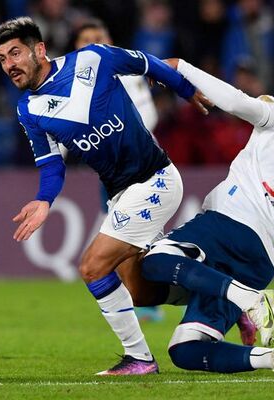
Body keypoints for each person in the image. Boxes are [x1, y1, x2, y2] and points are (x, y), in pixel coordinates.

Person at [0, 17, 210, 375]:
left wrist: (187, 90)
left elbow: (147, 63)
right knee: (138, 290)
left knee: (92, 267)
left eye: (15, 53)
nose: (10, 65)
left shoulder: (92, 59)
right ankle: (217, 295)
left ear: (39, 50)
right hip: (121, 193)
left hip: (155, 179)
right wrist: (44, 200)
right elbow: (51, 166)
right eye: (2, 59)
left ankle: (139, 359)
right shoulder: (28, 110)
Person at [140, 58, 274, 376]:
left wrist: (180, 67)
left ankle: (248, 299)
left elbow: (233, 100)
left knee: (153, 262)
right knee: (185, 349)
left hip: (230, 222)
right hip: (262, 259)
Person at [71, 19, 164, 323]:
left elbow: (148, 114)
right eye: (86, 40)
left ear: (109, 40)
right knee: (124, 234)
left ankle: (150, 296)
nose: (92, 44)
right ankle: (138, 294)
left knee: (135, 234)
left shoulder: (123, 70)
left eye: (98, 38)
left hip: (140, 164)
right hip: (111, 170)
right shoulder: (73, 83)